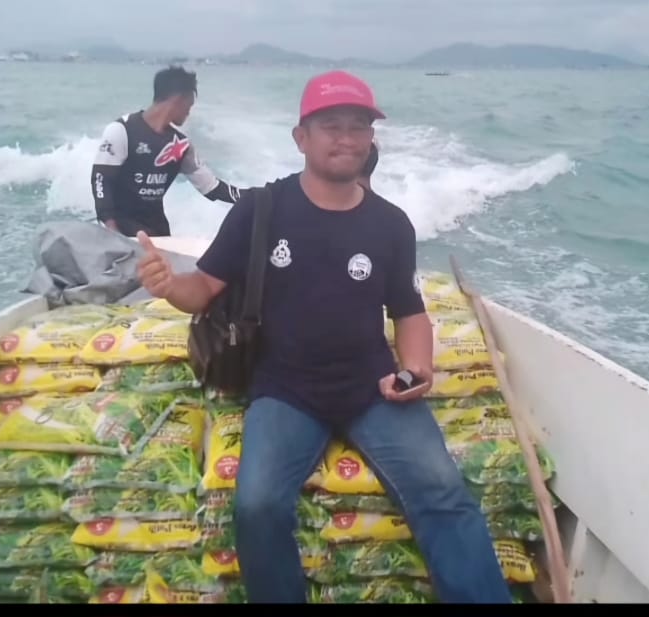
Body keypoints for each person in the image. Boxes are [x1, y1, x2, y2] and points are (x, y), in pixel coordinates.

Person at [134, 70, 511, 604]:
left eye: (358, 127)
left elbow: (408, 310)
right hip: (285, 390)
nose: (346, 138)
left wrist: (417, 369)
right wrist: (169, 284)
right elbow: (203, 289)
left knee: (444, 494)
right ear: (301, 138)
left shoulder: (391, 225)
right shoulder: (260, 210)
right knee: (257, 506)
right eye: (331, 126)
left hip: (373, 388)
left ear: (371, 140)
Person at [90, 65, 247, 237]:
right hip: (122, 230)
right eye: (189, 106)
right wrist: (112, 231)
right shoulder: (122, 130)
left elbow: (211, 188)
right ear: (178, 99)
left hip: (158, 231)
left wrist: (253, 197)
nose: (188, 113)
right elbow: (101, 180)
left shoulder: (181, 145)